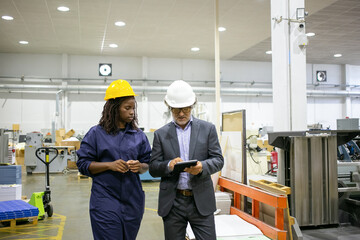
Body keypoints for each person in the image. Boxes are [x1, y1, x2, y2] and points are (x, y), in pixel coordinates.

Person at [77, 79, 151, 240]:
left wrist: (139, 166)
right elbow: (83, 164)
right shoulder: (96, 134)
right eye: (127, 108)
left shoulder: (139, 136)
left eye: (133, 108)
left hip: (133, 200)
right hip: (105, 199)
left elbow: (147, 165)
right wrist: (110, 165)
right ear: (114, 108)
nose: (132, 112)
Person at [149, 80, 224, 240]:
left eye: (185, 109)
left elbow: (218, 160)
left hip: (201, 201)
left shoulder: (207, 129)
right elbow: (153, 168)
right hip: (173, 202)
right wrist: (169, 165)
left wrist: (202, 167)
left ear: (192, 106)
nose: (181, 113)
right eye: (176, 110)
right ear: (170, 108)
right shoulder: (160, 134)